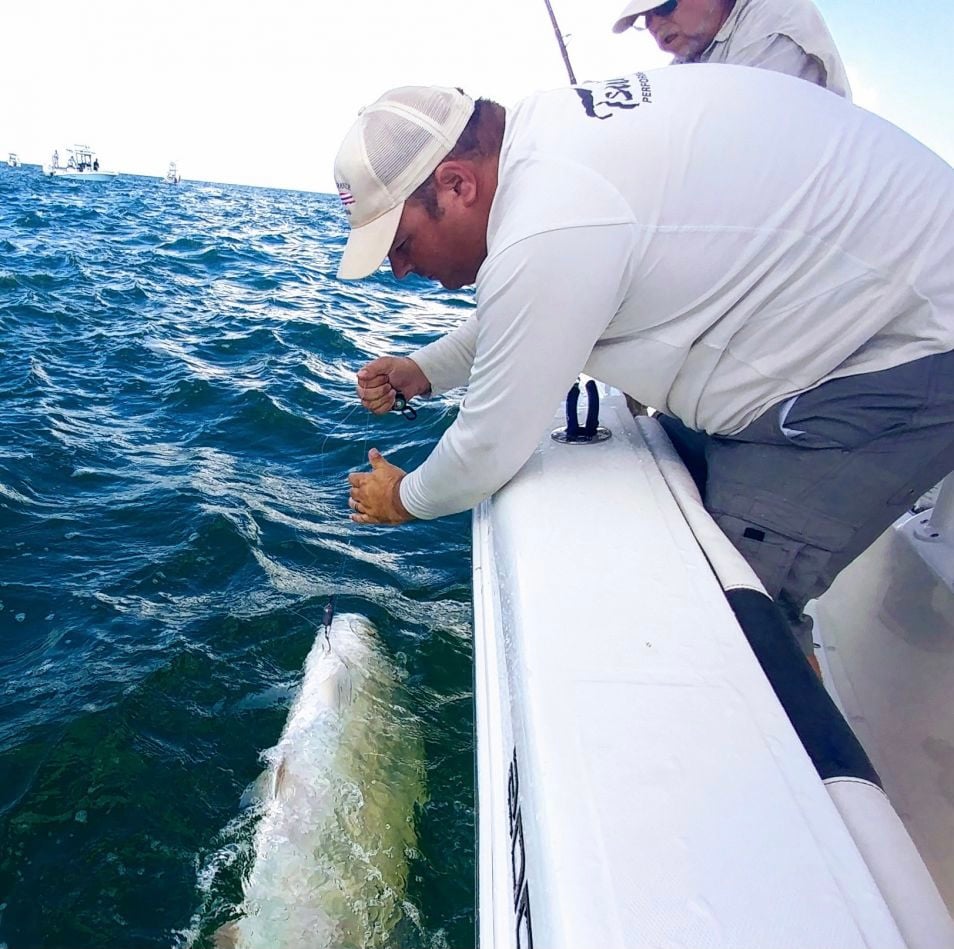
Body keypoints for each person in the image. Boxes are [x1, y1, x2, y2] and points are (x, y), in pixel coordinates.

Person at [337, 68, 954, 656]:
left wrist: (403, 498)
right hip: (862, 314)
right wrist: (423, 370)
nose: (399, 270)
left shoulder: (551, 219)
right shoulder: (552, 152)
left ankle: (809, 761)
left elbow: (489, 447)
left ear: (456, 184)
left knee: (727, 622)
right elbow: (535, 306)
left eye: (402, 243)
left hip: (903, 347)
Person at [611, 0, 851, 98]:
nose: (653, 25)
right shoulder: (691, 55)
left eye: (664, 7)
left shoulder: (770, 20)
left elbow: (746, 138)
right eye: (645, 18)